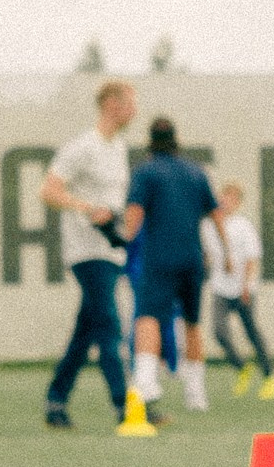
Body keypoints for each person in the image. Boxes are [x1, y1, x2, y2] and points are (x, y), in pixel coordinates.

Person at [42, 79, 136, 428]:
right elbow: (49, 190)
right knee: (110, 325)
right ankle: (125, 404)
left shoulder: (119, 149)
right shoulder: (82, 147)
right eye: (130, 102)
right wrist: (86, 208)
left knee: (87, 331)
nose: (135, 110)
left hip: (110, 251)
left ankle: (56, 400)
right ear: (111, 103)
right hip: (86, 251)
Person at [124, 117, 223, 415]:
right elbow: (216, 214)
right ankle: (196, 394)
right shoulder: (196, 172)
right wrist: (226, 253)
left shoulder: (145, 172)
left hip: (159, 259)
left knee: (148, 317)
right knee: (192, 324)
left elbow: (134, 214)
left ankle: (145, 382)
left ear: (150, 142)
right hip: (193, 258)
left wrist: (122, 239)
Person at [205, 180, 274, 400]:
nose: (225, 201)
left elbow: (251, 258)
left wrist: (246, 285)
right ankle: (241, 367)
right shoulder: (210, 225)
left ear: (238, 203)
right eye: (224, 196)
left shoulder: (243, 226)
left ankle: (270, 375)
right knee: (219, 331)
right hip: (220, 288)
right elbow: (210, 254)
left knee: (251, 332)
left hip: (242, 289)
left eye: (231, 198)